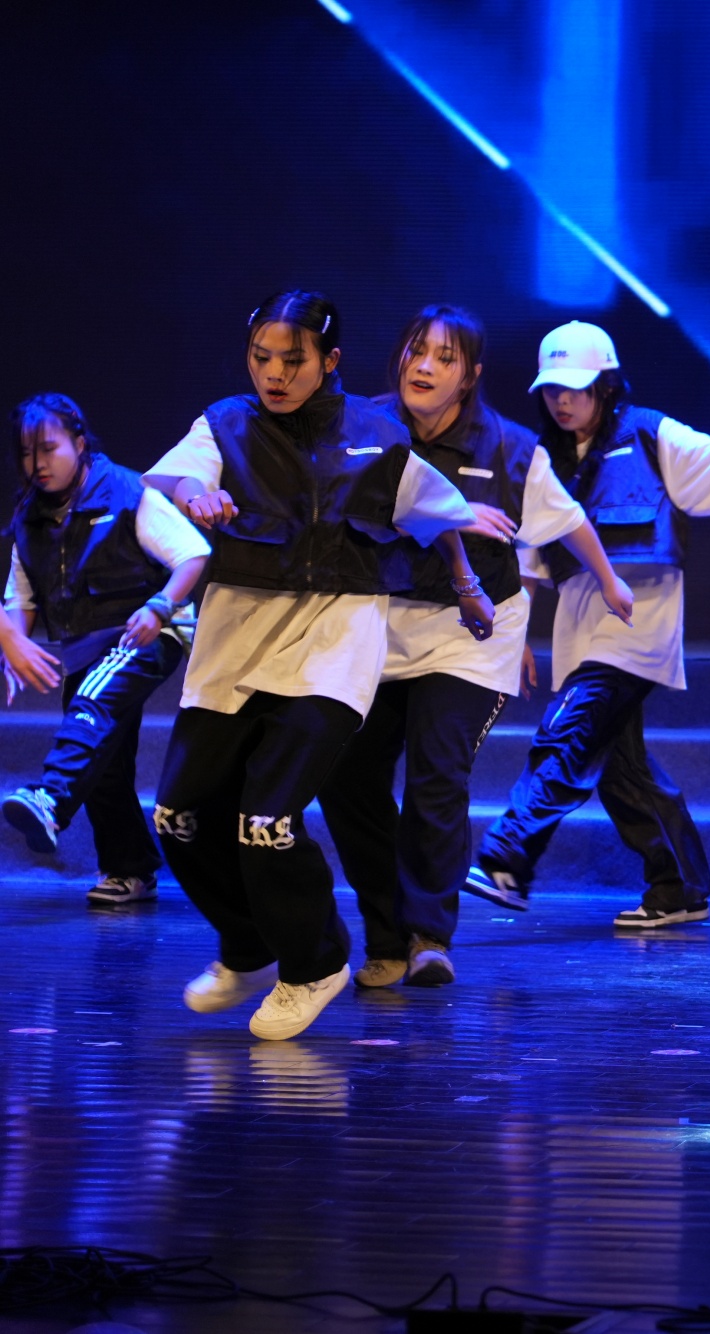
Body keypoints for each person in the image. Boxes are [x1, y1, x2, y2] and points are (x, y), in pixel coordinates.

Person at [143, 291, 494, 1042]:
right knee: (177, 816)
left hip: (332, 651)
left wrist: (467, 585)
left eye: (291, 360)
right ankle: (248, 949)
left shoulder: (377, 433)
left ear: (329, 361)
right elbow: (179, 477)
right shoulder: (225, 423)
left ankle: (315, 964)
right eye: (261, 358)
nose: (273, 373)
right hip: (235, 647)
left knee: (266, 822)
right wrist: (198, 495)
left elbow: (434, 514)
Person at [464, 321, 710, 926]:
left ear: (605, 383)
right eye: (552, 389)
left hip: (638, 624)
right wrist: (516, 637)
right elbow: (532, 557)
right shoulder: (546, 458)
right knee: (623, 772)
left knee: (567, 733)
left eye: (574, 388)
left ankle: (509, 858)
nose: (562, 401)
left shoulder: (646, 431)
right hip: (580, 628)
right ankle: (680, 886)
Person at [317, 305, 633, 989]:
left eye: (445, 357)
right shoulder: (362, 427)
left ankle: (429, 935)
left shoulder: (509, 447)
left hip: (473, 631)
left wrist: (610, 581)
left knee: (437, 770)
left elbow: (568, 521)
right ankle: (385, 932)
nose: (425, 367)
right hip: (379, 624)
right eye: (416, 351)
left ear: (470, 376)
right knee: (346, 776)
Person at [0, 394, 209, 906]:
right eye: (26, 453)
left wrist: (159, 607)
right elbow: (21, 595)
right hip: (85, 644)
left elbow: (192, 553)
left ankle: (50, 798)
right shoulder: (30, 516)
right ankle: (129, 869)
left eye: (48, 448)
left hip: (148, 631)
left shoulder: (125, 491)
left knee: (90, 705)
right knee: (103, 757)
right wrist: (15, 644)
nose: (37, 463)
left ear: (78, 443)